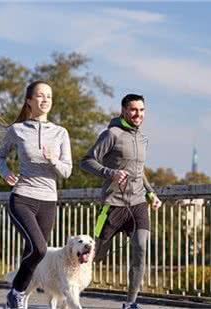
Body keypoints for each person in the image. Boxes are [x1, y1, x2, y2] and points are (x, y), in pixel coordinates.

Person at [0, 80, 72, 309]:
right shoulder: (17, 130)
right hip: (22, 197)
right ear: (29, 101)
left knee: (32, 252)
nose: (45, 99)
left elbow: (66, 171)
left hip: (48, 200)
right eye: (40, 95)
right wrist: (6, 172)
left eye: (49, 96)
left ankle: (15, 295)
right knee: (39, 248)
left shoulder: (60, 133)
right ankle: (17, 293)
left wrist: (53, 159)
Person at [80, 93, 162, 309]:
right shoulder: (111, 134)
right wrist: (110, 173)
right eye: (134, 109)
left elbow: (139, 170)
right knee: (93, 255)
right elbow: (86, 161)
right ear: (124, 110)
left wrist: (150, 193)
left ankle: (131, 303)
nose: (138, 114)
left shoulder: (142, 138)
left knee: (141, 248)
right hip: (112, 205)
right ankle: (66, 290)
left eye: (142, 110)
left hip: (137, 204)